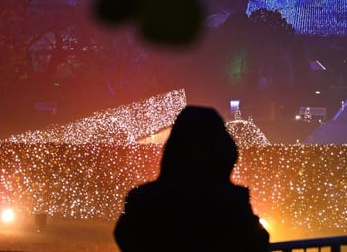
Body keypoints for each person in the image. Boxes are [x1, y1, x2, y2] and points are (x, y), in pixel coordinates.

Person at [114, 105, 270, 252]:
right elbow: (256, 242)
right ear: (221, 150)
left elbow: (125, 236)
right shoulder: (230, 204)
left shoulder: (143, 200)